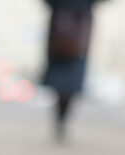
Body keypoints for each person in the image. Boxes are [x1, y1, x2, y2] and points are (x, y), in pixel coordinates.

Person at [42, 0, 98, 143]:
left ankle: (61, 120)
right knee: (65, 84)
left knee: (67, 85)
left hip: (73, 38)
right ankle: (61, 120)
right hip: (67, 38)